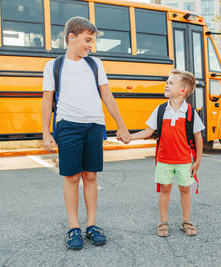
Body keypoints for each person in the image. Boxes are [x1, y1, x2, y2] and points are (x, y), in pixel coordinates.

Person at [41, 16, 130, 250]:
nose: (90, 45)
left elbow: (107, 96)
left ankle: (92, 226)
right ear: (72, 38)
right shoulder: (54, 66)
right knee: (71, 177)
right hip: (68, 126)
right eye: (87, 40)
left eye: (92, 41)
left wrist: (120, 125)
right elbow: (46, 100)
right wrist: (45, 131)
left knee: (90, 176)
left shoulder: (95, 64)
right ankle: (74, 228)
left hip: (94, 125)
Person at [130, 69, 204, 237]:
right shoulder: (161, 110)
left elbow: (198, 137)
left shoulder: (190, 112)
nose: (166, 84)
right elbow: (149, 131)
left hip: (185, 161)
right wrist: (130, 137)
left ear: (182, 90)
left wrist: (198, 160)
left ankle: (186, 221)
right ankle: (163, 222)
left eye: (171, 82)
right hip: (164, 160)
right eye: (167, 82)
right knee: (165, 189)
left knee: (185, 189)